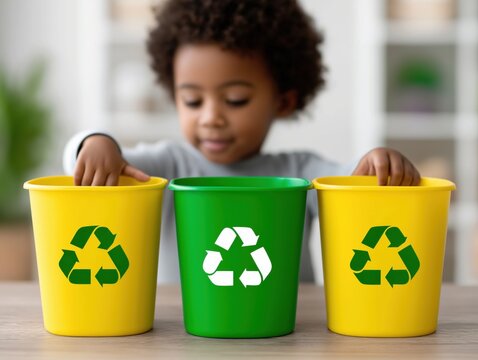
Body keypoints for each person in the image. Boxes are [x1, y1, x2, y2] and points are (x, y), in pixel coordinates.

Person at [63, 0, 420, 283]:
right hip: (187, 332)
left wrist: (378, 162)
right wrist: (95, 143)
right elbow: (95, 160)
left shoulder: (300, 171)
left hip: (292, 332)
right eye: (192, 100)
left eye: (234, 99)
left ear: (283, 101)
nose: (210, 117)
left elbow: (353, 181)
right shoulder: (167, 166)